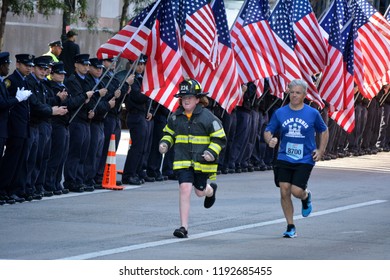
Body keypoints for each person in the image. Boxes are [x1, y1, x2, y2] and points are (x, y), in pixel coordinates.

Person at [159, 78, 226, 238]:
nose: (186, 100)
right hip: (182, 161)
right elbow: (169, 133)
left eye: (190, 97)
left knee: (199, 192)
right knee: (184, 188)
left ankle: (210, 190)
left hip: (202, 163)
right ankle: (183, 227)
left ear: (197, 99)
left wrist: (211, 152)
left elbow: (220, 138)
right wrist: (165, 143)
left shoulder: (208, 118)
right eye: (183, 98)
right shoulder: (175, 117)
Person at [264, 79, 328, 238]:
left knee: (296, 191)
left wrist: (320, 150)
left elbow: (324, 131)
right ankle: (290, 226)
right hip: (284, 156)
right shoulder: (280, 112)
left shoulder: (312, 113)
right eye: (292, 92)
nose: (294, 95)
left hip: (305, 158)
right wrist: (269, 140)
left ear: (304, 95)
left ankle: (306, 197)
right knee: (284, 190)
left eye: (298, 92)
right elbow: (268, 130)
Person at [0, 54, 34, 203]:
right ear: (18, 64)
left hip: (24, 126)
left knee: (21, 160)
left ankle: (15, 188)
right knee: (11, 160)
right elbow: (6, 103)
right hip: (14, 127)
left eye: (30, 65)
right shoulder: (10, 81)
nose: (29, 68)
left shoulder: (25, 81)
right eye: (26, 65)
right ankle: (4, 189)